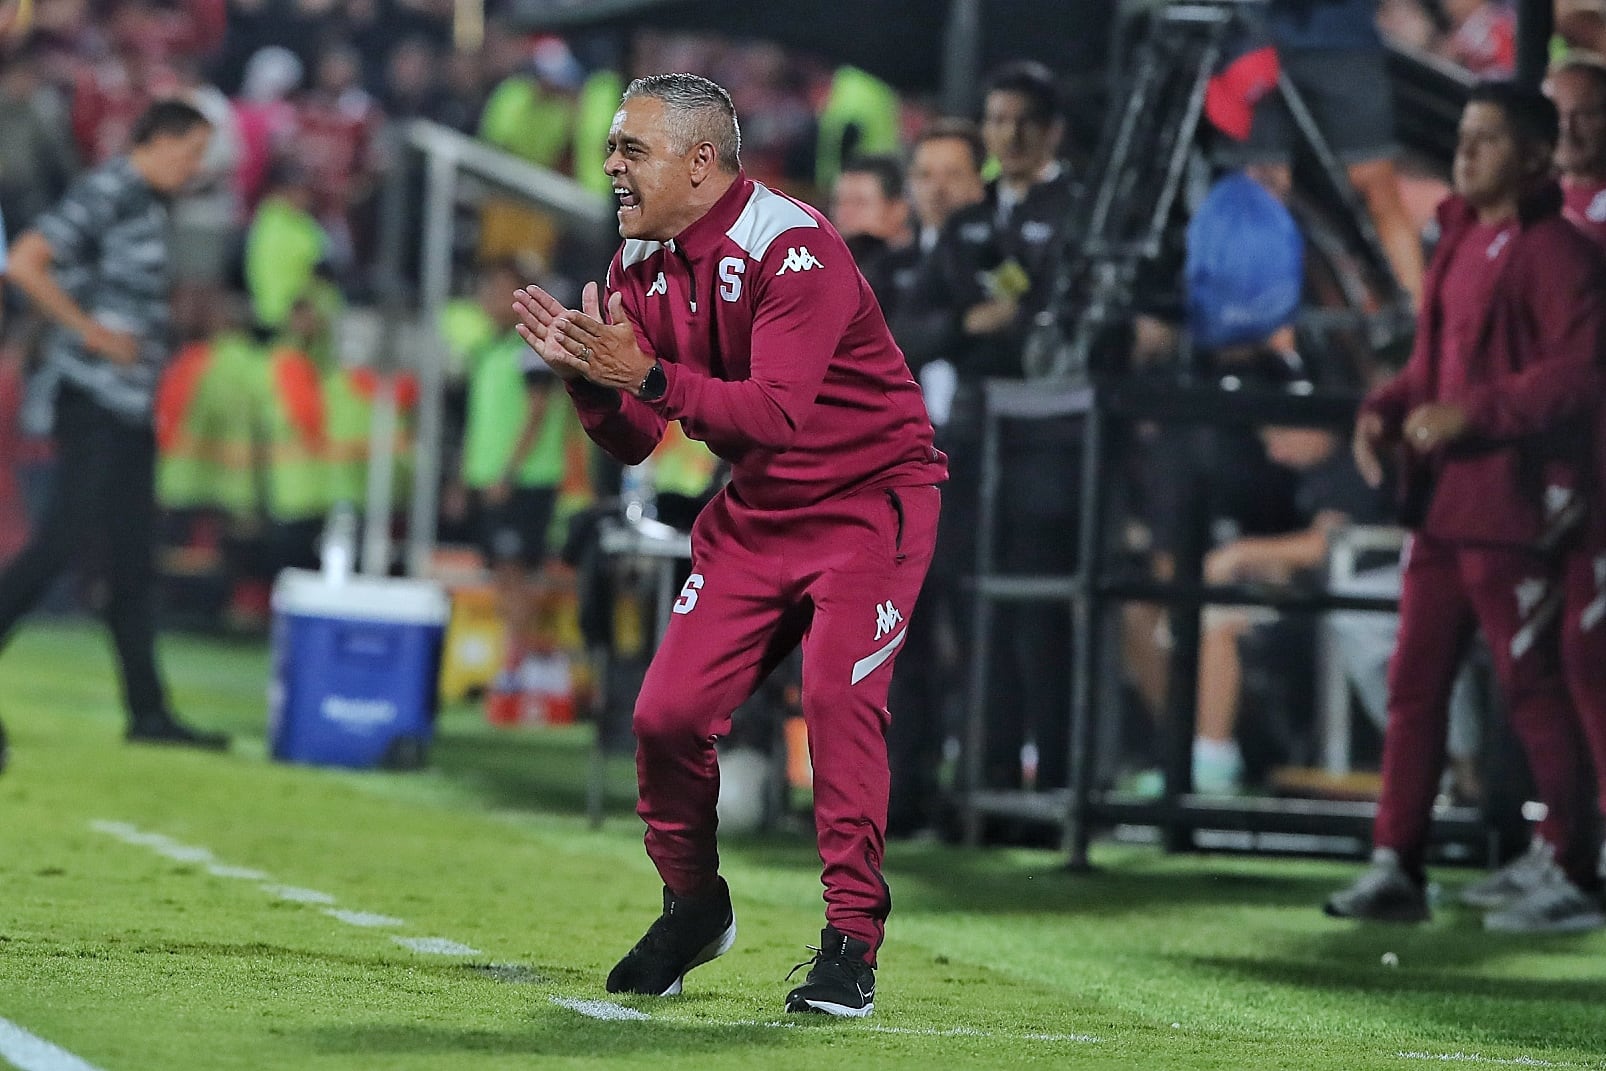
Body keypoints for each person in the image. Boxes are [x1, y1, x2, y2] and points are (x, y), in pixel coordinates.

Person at [512, 72, 945, 1017]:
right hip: (756, 512)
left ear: (701, 162)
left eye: (632, 150)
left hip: (870, 504)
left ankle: (850, 944)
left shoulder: (795, 247)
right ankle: (695, 907)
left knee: (836, 700)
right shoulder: (639, 265)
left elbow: (778, 414)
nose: (611, 167)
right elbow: (636, 435)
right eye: (613, 148)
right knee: (664, 716)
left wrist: (651, 372)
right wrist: (589, 381)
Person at [1328, 83, 1605, 931]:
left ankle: (1570, 864)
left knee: (1537, 688)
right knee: (1416, 684)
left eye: (1488, 138)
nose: (1466, 150)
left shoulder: (1558, 251)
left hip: (1512, 504)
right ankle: (1395, 861)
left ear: (1532, 155)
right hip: (1442, 505)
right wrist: (1383, 406)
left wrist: (1468, 414)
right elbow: (1431, 371)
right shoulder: (1456, 236)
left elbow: (1579, 375)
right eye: (1464, 134)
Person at [0, 99, 228, 752]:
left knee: (131, 562)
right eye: (189, 153)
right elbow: (24, 261)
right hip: (94, 397)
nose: (194, 169)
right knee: (60, 543)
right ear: (155, 142)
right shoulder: (111, 191)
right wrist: (91, 332)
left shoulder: (148, 203)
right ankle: (148, 709)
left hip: (130, 404)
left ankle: (149, 711)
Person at [1245, 0, 1426, 305]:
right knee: (1263, 196)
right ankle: (1272, 342)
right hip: (1252, 40)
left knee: (1376, 188)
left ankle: (1420, 332)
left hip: (1343, 41)